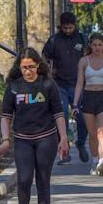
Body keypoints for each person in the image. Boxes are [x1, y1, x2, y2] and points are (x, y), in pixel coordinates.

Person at [0, 48, 70, 204]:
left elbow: (58, 114)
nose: (28, 71)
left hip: (46, 137)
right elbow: (5, 116)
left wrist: (63, 138)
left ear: (38, 66)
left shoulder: (48, 84)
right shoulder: (13, 87)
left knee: (43, 180)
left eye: (31, 67)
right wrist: (5, 139)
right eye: (24, 67)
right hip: (22, 139)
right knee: (24, 179)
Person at [42, 10, 89, 162]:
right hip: (59, 83)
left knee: (82, 117)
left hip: (78, 84)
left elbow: (90, 56)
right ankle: (64, 149)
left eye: (70, 27)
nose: (68, 31)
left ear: (75, 26)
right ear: (60, 26)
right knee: (61, 115)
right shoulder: (54, 40)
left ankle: (80, 142)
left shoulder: (82, 38)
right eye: (65, 28)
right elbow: (44, 57)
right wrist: (48, 72)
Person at [75, 33, 103, 174]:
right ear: (90, 45)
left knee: (102, 131)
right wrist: (75, 104)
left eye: (100, 45)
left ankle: (102, 161)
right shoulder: (83, 61)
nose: (97, 48)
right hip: (88, 97)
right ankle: (95, 161)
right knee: (92, 133)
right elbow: (79, 83)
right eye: (94, 45)